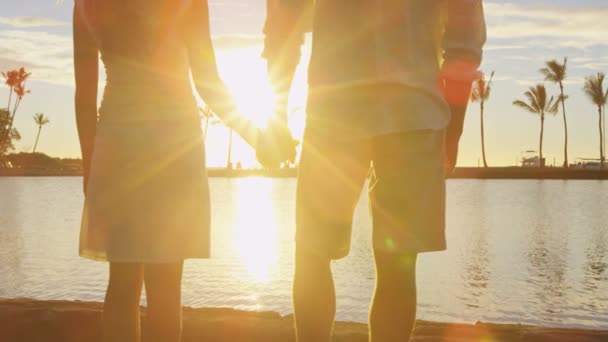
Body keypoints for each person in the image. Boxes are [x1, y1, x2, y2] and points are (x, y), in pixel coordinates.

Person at [263, 1, 486, 341]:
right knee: (397, 265)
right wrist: (453, 128)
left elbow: (284, 19)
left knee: (312, 254)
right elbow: (465, 32)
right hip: (413, 113)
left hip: (335, 109)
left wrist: (277, 111)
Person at [73, 1, 294, 341]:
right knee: (166, 285)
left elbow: (84, 95)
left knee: (122, 282)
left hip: (119, 143)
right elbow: (208, 81)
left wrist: (91, 164)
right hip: (174, 142)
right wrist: (258, 137)